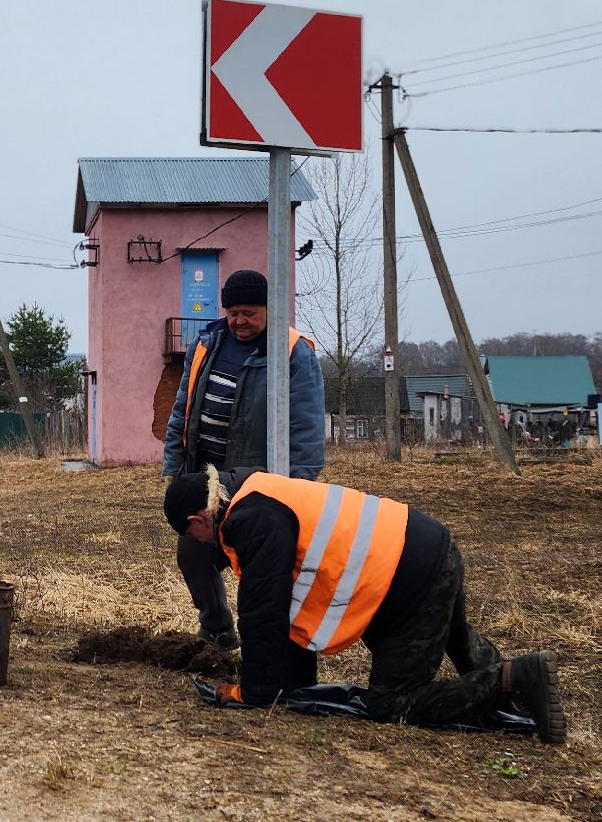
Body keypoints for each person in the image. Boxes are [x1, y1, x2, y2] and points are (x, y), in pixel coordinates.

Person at [163, 467, 567, 744]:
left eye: (190, 534)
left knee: (394, 703)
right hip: (428, 546)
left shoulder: (247, 521)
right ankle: (521, 699)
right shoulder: (252, 486)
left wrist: (252, 692)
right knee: (456, 639)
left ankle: (516, 678)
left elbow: (264, 609)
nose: (197, 543)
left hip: (404, 580)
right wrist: (292, 685)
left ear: (199, 519)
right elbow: (288, 601)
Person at [162, 268, 325, 651]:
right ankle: (218, 628)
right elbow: (182, 407)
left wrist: (298, 487)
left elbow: (306, 427)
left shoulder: (292, 351)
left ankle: (271, 641)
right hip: (205, 478)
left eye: (249, 313)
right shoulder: (208, 344)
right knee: (193, 552)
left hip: (259, 483)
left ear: (269, 309)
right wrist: (174, 465)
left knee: (263, 566)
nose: (240, 321)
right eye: (233, 312)